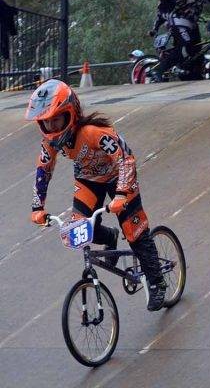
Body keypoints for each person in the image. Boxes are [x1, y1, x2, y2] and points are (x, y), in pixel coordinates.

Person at [25, 79, 166, 311]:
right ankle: (109, 237)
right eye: (46, 123)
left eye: (56, 120)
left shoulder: (93, 132)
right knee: (78, 229)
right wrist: (37, 207)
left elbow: (125, 159)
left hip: (119, 176)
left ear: (71, 114)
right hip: (88, 180)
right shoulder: (49, 142)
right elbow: (43, 170)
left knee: (134, 231)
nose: (51, 128)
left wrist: (121, 193)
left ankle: (157, 282)